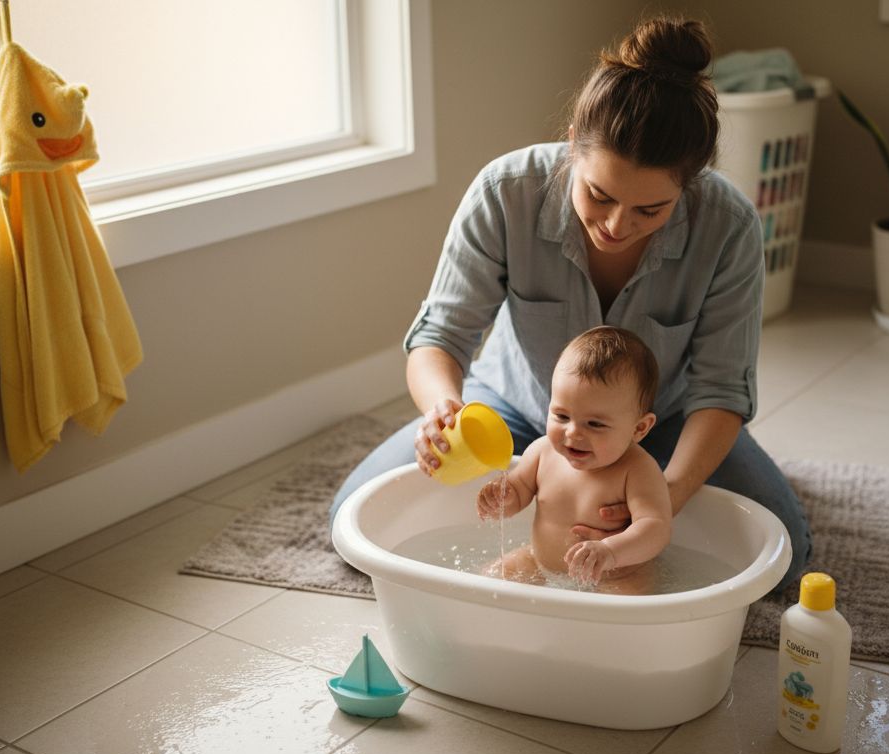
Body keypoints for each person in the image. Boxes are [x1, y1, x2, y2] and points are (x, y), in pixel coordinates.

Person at [330, 15, 811, 590]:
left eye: (649, 211)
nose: (615, 225)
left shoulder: (727, 226)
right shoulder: (506, 192)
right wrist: (442, 409)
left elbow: (722, 391)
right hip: (512, 409)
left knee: (787, 564)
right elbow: (441, 336)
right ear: (571, 149)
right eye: (598, 195)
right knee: (352, 525)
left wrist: (659, 501)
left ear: (689, 186)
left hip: (660, 426)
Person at [477, 327, 670, 594]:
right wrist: (502, 498)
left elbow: (655, 529)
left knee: (626, 607)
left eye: (595, 423)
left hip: (616, 574)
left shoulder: (637, 470)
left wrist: (610, 552)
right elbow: (518, 494)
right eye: (562, 416)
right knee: (490, 578)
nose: (573, 432)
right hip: (540, 563)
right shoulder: (542, 452)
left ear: (639, 429)